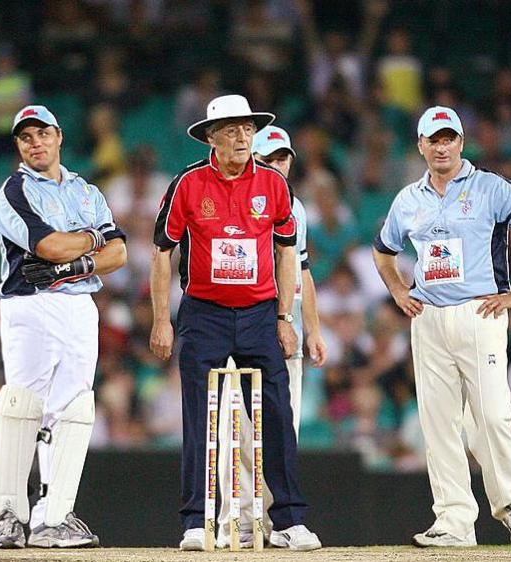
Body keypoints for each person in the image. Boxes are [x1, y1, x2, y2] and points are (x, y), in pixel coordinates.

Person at [373, 106, 511, 547]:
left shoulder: (491, 188)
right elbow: (383, 251)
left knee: (493, 415)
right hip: (428, 317)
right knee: (437, 423)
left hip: (481, 313)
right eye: (433, 139)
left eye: (449, 138)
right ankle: (454, 521)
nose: (441, 146)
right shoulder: (407, 199)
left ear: (461, 142)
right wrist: (399, 292)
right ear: (420, 145)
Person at [150, 95, 322, 551]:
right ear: (210, 137)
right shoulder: (187, 183)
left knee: (278, 413)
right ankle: (194, 522)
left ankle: (287, 520)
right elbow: (162, 252)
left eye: (247, 128)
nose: (242, 137)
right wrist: (161, 320)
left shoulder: (273, 183)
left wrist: (286, 317)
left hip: (260, 312)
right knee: (197, 417)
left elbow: (288, 252)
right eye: (230, 129)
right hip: (202, 313)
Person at [0, 105, 127, 549]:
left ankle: (54, 516)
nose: (36, 143)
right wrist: (92, 242)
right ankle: (9, 516)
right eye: (26, 137)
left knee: (72, 409)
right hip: (29, 305)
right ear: (18, 145)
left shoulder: (86, 191)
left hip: (79, 305)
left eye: (42, 133)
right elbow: (48, 245)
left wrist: (80, 257)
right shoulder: (13, 190)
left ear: (59, 136)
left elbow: (120, 253)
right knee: (21, 405)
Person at [211, 124, 329, 547]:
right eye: (270, 158)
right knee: (240, 428)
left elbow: (303, 271)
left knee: (283, 428)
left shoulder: (293, 207)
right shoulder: (238, 199)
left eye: (284, 158)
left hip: (286, 330)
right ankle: (241, 519)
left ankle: (278, 522)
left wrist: (311, 328)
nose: (278, 166)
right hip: (249, 326)